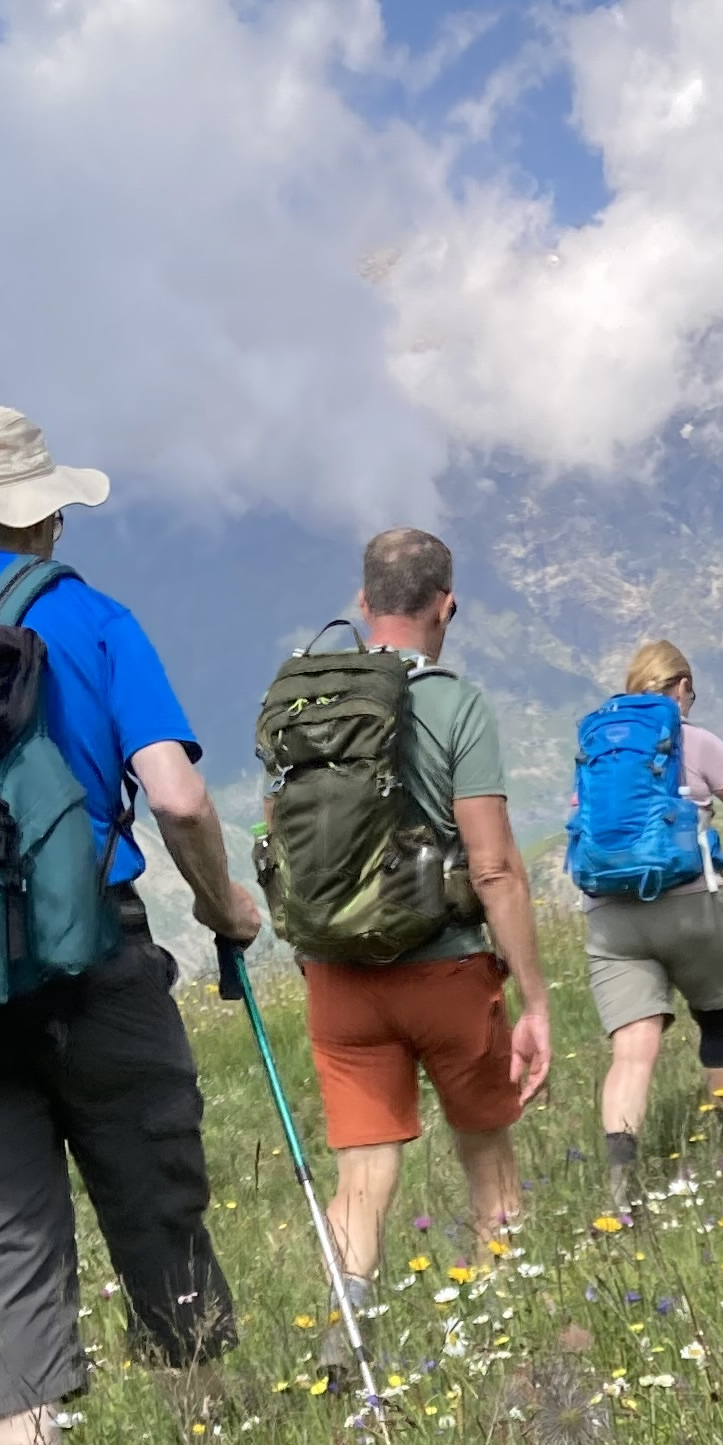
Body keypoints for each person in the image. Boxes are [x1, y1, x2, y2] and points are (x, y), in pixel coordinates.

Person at [0, 405, 258, 1445]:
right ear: (42, 508)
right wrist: (223, 904)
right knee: (152, 1185)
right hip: (92, 954)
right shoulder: (89, 617)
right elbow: (177, 794)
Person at [297, 529, 550, 1334]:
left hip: (339, 979)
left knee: (362, 1175)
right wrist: (535, 999)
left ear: (363, 605)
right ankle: (503, 1329)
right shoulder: (455, 704)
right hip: (447, 972)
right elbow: (495, 867)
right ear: (448, 607)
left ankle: (347, 1338)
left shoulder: (307, 704)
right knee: (487, 1153)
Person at [580, 642, 723, 1223]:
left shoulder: (598, 749)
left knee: (632, 1052)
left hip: (609, 915)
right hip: (688, 905)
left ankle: (620, 1191)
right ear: (681, 685)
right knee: (716, 1016)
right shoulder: (694, 740)